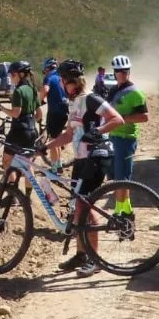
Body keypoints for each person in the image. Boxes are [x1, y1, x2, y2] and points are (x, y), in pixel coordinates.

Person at [41, 60, 124, 277]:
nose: (61, 85)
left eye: (63, 81)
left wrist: (98, 130)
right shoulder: (74, 102)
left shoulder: (91, 98)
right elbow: (68, 135)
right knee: (77, 207)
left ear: (71, 81)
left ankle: (95, 260)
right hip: (81, 159)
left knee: (85, 206)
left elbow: (117, 119)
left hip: (97, 156)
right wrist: (44, 146)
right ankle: (81, 254)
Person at [104, 55, 150, 208]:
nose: (122, 74)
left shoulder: (135, 92)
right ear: (115, 72)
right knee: (117, 178)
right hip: (112, 137)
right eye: (119, 71)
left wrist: (122, 118)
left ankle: (121, 211)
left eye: (125, 71)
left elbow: (144, 117)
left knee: (123, 179)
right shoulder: (112, 90)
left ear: (129, 71)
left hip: (126, 139)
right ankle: (125, 209)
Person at [0, 60, 42, 172]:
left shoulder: (18, 91)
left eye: (13, 74)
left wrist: (1, 108)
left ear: (21, 74)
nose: (12, 77)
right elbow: (39, 115)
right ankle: (28, 190)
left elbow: (16, 113)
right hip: (32, 131)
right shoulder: (32, 88)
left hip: (18, 132)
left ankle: (10, 188)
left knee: (6, 162)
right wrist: (30, 123)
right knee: (28, 165)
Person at [42, 58, 69, 166]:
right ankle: (58, 165)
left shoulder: (49, 77)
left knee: (53, 142)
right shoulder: (61, 77)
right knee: (57, 140)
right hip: (64, 112)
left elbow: (45, 89)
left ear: (47, 69)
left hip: (54, 112)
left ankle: (54, 169)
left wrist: (39, 101)